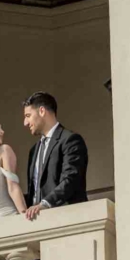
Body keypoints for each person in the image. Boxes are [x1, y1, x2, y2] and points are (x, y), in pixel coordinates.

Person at [22, 92, 88, 222]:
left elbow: (70, 180)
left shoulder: (71, 140)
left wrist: (44, 204)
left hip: (66, 219)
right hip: (36, 221)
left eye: (28, 116)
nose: (25, 122)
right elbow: (35, 193)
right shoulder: (33, 151)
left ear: (42, 111)